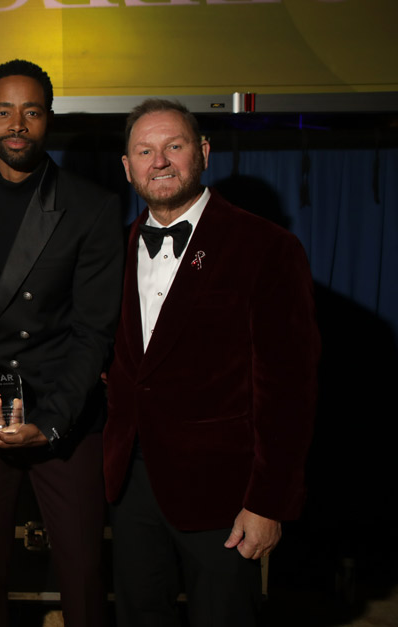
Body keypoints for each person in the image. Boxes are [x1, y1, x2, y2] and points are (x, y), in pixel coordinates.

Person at [104, 99, 320, 627]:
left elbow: (289, 389)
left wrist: (269, 502)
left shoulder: (266, 246)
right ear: (127, 166)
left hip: (223, 493)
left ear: (202, 153)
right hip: (131, 485)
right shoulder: (113, 248)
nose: (160, 161)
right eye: (145, 150)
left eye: (173, 146)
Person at [0, 59, 124, 627]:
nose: (17, 124)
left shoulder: (91, 206)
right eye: (4, 112)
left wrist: (54, 420)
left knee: (83, 574)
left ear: (48, 121)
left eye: (32, 112)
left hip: (58, 411)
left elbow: (95, 328)